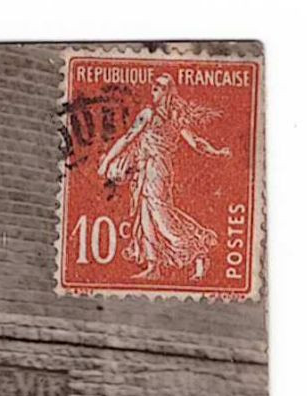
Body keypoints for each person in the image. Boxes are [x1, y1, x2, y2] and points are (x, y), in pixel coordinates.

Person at [95, 73, 231, 281]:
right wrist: (107, 162)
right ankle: (153, 266)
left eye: (159, 86)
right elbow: (128, 138)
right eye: (154, 86)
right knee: (145, 215)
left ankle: (198, 252)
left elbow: (195, 142)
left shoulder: (174, 119)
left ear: (169, 92)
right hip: (144, 168)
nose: (154, 89)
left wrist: (216, 152)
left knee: (162, 217)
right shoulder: (147, 114)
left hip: (159, 170)